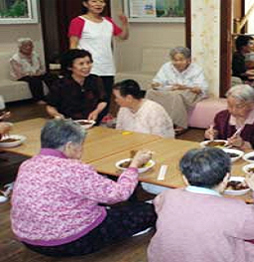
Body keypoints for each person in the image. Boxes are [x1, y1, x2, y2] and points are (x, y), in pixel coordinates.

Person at [10, 119, 156, 257]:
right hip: (70, 242)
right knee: (150, 210)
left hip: (28, 239)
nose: (82, 149)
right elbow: (119, 194)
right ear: (69, 146)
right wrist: (134, 166)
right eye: (80, 145)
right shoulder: (74, 168)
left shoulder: (27, 164)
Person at [147, 147, 254, 262]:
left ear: (184, 178)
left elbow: (163, 204)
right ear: (226, 178)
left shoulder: (166, 196)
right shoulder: (234, 209)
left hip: (162, 258)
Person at [69, 0, 129, 105]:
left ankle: (103, 119)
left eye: (101, 1)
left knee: (105, 99)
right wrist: (75, 66)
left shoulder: (108, 21)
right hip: (88, 68)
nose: (98, 4)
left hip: (107, 67)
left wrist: (124, 23)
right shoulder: (78, 21)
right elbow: (73, 46)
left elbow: (123, 36)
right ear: (85, 4)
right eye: (94, 1)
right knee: (89, 100)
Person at [146, 47, 208, 133]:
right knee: (150, 92)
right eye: (175, 60)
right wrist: (155, 84)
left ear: (188, 60)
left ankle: (180, 124)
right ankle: (152, 120)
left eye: (181, 60)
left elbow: (199, 89)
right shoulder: (166, 67)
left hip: (189, 92)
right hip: (170, 90)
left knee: (176, 95)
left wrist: (184, 87)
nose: (177, 63)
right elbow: (158, 81)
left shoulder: (196, 69)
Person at [205, 84, 254, 152]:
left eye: (239, 106)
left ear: (252, 104)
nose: (233, 110)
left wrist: (243, 144)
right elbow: (216, 142)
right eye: (230, 105)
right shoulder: (221, 117)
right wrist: (212, 135)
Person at [45, 49, 107, 122]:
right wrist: (57, 115)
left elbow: (103, 101)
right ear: (70, 67)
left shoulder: (95, 80)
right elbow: (50, 106)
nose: (86, 67)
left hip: (91, 121)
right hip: (68, 122)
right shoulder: (61, 84)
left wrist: (96, 111)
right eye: (81, 64)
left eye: (88, 62)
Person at [9, 38, 55, 104]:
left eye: (30, 45)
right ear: (20, 47)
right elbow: (19, 72)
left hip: (36, 74)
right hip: (22, 76)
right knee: (35, 81)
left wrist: (41, 72)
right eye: (26, 46)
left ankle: (54, 96)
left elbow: (41, 66)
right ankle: (38, 99)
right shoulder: (15, 58)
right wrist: (32, 74)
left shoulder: (35, 55)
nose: (29, 47)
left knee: (51, 76)